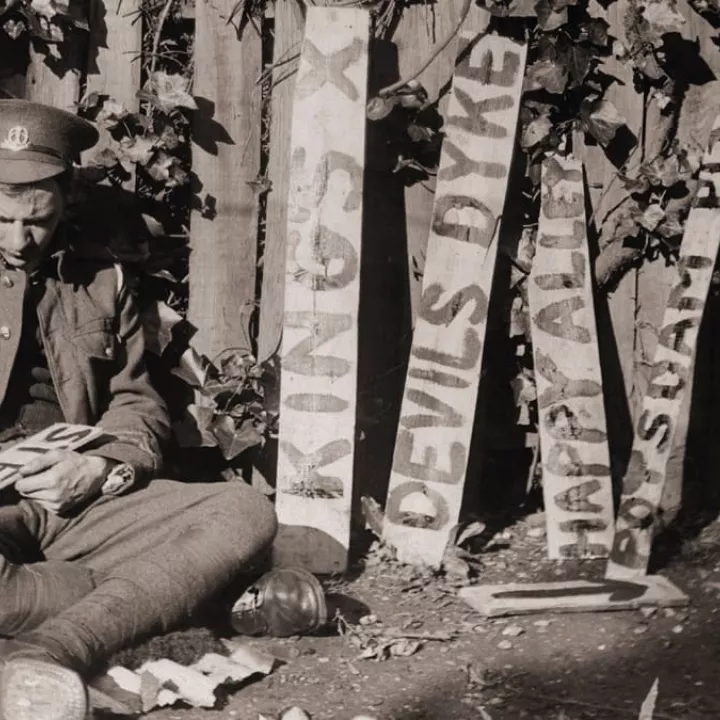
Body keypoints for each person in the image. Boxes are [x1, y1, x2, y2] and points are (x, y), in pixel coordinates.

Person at [0, 98, 279, 720]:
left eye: (37, 222)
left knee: (242, 511)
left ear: (66, 197)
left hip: (77, 500)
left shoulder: (104, 280)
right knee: (109, 581)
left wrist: (100, 471)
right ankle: (112, 599)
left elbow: (136, 405)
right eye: (2, 220)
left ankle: (48, 651)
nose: (19, 242)